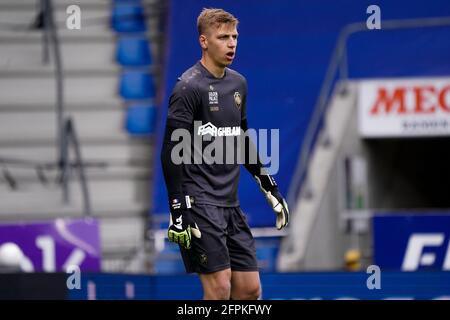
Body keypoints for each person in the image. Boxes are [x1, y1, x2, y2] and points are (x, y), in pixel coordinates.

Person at [160, 8, 289, 300]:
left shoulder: (238, 84)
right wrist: (177, 208)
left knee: (249, 290)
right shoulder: (188, 87)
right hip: (199, 204)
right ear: (204, 41)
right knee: (219, 288)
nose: (231, 44)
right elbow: (170, 151)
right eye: (222, 37)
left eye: (234, 37)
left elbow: (242, 138)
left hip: (230, 204)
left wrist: (269, 186)